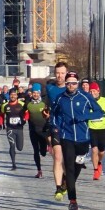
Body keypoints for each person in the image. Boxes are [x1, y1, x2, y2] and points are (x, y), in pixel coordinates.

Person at [49, 72, 105, 210]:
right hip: (66, 137)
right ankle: (73, 201)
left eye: (74, 83)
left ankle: (67, 183)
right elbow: (53, 115)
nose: (71, 85)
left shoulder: (85, 97)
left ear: (78, 84)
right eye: (68, 83)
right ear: (66, 84)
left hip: (83, 138)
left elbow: (99, 112)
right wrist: (55, 127)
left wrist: (84, 116)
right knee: (69, 167)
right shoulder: (60, 98)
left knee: (78, 165)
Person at [45, 62, 70, 199]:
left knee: (68, 160)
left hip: (70, 128)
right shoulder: (50, 88)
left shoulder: (71, 88)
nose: (60, 76)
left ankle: (66, 178)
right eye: (57, 73)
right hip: (55, 126)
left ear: (66, 73)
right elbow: (47, 105)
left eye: (62, 73)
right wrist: (46, 112)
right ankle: (58, 188)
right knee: (58, 157)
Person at [87, 81, 105, 180]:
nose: (92, 93)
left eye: (94, 91)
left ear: (98, 91)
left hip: (103, 129)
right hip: (92, 128)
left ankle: (99, 163)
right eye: (90, 91)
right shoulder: (87, 101)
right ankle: (95, 170)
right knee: (94, 149)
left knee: (101, 151)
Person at [23, 83, 50, 178]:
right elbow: (24, 113)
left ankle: (44, 148)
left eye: (37, 93)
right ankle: (39, 170)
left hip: (43, 131)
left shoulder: (44, 103)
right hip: (33, 130)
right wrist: (23, 119)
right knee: (35, 151)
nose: (35, 95)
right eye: (34, 93)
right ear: (32, 93)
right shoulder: (28, 103)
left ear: (40, 93)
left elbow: (48, 114)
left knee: (43, 152)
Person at [1, 90, 28, 170]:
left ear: (17, 96)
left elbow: (27, 113)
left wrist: (25, 119)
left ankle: (14, 161)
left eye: (14, 95)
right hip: (10, 128)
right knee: (12, 145)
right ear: (9, 96)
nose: (13, 96)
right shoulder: (5, 105)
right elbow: (1, 114)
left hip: (19, 128)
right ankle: (13, 164)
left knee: (20, 148)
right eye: (11, 95)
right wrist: (0, 123)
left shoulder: (22, 104)